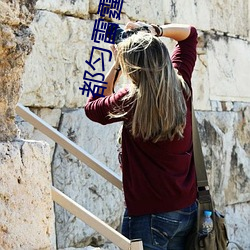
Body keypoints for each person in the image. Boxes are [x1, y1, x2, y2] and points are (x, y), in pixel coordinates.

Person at [85, 21, 198, 250]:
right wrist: (155, 30)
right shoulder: (181, 85)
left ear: (132, 68)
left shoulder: (130, 100)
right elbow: (189, 35)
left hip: (149, 216)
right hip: (186, 209)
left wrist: (116, 65)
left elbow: (92, 108)